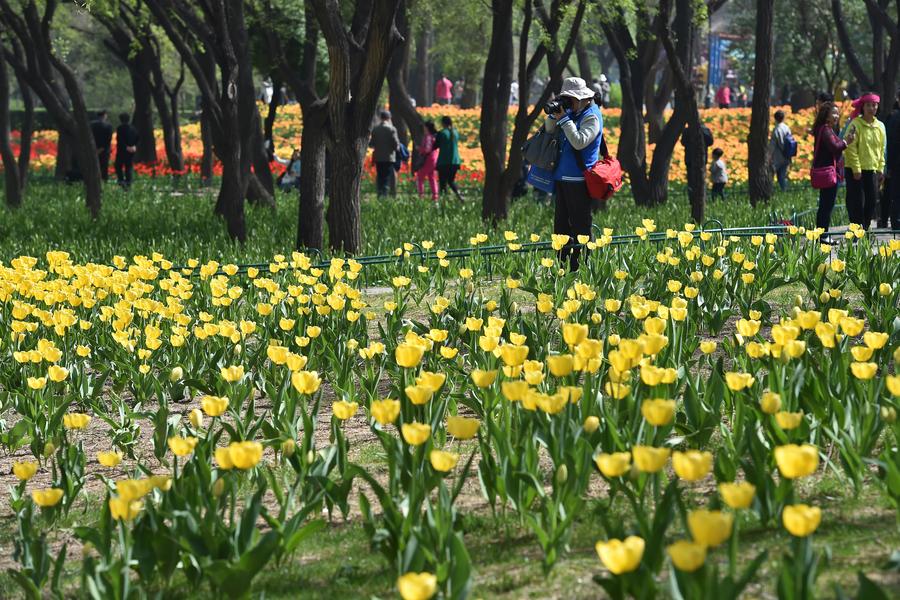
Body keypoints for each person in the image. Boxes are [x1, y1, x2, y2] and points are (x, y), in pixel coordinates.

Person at [544, 77, 603, 271]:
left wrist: (564, 119)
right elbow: (548, 130)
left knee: (580, 227)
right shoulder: (571, 112)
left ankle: (582, 267)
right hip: (562, 178)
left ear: (583, 98)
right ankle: (561, 266)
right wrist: (554, 115)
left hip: (579, 180)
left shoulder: (592, 115)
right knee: (561, 227)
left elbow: (580, 141)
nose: (568, 102)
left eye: (570, 99)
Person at [844, 92, 886, 230]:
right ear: (863, 107)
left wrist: (880, 168)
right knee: (856, 201)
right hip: (855, 170)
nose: (871, 108)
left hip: (872, 169)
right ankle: (856, 229)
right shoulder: (855, 124)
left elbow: (882, 148)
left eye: (874, 105)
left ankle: (865, 227)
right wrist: (856, 169)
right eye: (868, 105)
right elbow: (850, 148)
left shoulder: (880, 126)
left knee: (872, 201)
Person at [812, 102, 853, 231]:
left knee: (826, 204)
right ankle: (823, 235)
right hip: (828, 172)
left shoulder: (825, 129)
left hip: (827, 171)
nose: (836, 116)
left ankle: (822, 233)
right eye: (833, 113)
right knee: (826, 205)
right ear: (826, 115)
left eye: (837, 113)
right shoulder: (825, 130)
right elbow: (835, 148)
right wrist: (847, 142)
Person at [369, 111, 400, 197]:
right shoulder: (392, 129)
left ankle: (380, 193)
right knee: (387, 176)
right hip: (389, 157)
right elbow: (396, 145)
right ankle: (385, 194)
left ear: (380, 118)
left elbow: (371, 144)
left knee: (380, 176)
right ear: (389, 118)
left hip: (378, 157)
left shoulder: (375, 129)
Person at [436, 116, 464, 202]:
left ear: (443, 123)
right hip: (455, 161)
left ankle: (444, 200)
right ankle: (459, 194)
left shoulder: (442, 133)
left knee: (443, 182)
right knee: (451, 181)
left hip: (444, 161)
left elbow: (436, 145)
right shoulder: (455, 133)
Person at [884, 89, 900, 230]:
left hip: (895, 163)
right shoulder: (894, 118)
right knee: (896, 195)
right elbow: (890, 144)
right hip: (896, 164)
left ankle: (896, 223)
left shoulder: (893, 117)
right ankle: (895, 223)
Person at [415, 121, 439, 202]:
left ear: (427, 128)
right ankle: (435, 197)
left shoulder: (428, 137)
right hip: (434, 159)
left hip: (428, 159)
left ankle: (421, 196)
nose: (423, 129)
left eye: (424, 127)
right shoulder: (434, 136)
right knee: (432, 177)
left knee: (420, 177)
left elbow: (427, 149)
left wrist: (419, 149)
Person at [769, 110, 793, 191]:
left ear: (775, 118)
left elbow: (772, 145)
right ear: (783, 118)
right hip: (787, 155)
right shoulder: (787, 128)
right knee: (782, 177)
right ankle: (785, 192)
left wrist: (768, 156)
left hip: (777, 157)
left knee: (771, 176)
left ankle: (770, 192)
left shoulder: (776, 130)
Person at [115, 112, 139, 189]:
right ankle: (129, 183)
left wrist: (126, 147)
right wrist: (134, 146)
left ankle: (121, 181)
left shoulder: (120, 128)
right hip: (131, 151)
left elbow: (120, 140)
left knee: (118, 166)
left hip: (122, 151)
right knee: (128, 166)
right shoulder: (133, 128)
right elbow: (138, 138)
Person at [90, 110, 113, 181]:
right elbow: (109, 138)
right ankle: (104, 180)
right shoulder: (108, 126)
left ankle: (93, 180)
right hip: (105, 150)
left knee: (93, 166)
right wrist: (102, 148)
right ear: (105, 115)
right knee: (104, 166)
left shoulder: (91, 124)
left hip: (93, 148)